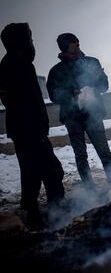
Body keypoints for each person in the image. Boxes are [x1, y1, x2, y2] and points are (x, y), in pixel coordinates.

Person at [0, 23, 65, 229]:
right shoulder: (17, 64)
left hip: (25, 129)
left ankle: (34, 211)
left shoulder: (13, 62)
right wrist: (36, 131)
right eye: (29, 37)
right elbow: (22, 102)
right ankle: (52, 212)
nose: (32, 42)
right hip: (29, 130)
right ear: (20, 41)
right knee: (50, 170)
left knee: (32, 170)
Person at [47, 33, 111, 192]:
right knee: (81, 156)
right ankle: (90, 190)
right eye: (73, 43)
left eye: (77, 42)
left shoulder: (91, 62)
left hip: (93, 113)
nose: (77, 45)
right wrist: (71, 94)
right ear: (65, 46)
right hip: (72, 117)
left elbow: (104, 85)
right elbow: (53, 95)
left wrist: (94, 85)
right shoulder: (56, 71)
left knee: (104, 152)